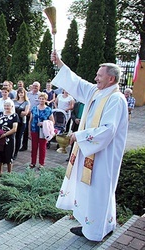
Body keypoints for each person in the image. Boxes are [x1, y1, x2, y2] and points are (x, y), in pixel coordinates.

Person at [51, 51, 128, 241]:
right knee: (90, 190)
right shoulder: (98, 91)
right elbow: (77, 83)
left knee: (99, 191)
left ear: (111, 78)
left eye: (99, 76)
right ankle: (94, 225)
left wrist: (80, 135)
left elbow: (108, 130)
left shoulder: (116, 99)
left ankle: (95, 232)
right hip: (91, 151)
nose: (95, 78)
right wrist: (60, 63)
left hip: (103, 155)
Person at [0, 100, 18, 179]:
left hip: (9, 139)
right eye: (5, 105)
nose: (6, 107)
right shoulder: (0, 114)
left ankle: (9, 173)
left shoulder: (14, 116)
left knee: (8, 156)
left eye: (8, 106)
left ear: (12, 106)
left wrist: (4, 135)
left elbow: (14, 129)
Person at [28, 92, 54, 169]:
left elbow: (52, 121)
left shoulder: (48, 109)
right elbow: (30, 120)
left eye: (43, 99)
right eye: (40, 98)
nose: (41, 100)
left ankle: (41, 163)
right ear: (38, 99)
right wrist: (29, 131)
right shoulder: (34, 108)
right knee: (34, 147)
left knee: (42, 147)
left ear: (46, 100)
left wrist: (44, 123)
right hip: (34, 130)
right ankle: (33, 162)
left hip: (44, 131)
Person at [21, 81, 41, 151]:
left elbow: (40, 105)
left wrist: (32, 111)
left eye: (36, 86)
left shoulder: (40, 95)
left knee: (35, 131)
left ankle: (34, 147)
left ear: (39, 87)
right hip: (27, 114)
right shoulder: (28, 94)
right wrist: (27, 111)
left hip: (36, 116)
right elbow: (25, 103)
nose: (35, 87)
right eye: (34, 86)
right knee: (26, 130)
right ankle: (24, 146)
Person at [13, 88, 30, 160]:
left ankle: (16, 153)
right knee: (11, 137)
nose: (20, 94)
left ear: (24, 93)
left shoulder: (27, 102)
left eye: (22, 92)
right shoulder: (14, 101)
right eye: (19, 92)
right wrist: (20, 112)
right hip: (14, 121)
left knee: (18, 137)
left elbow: (25, 113)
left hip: (22, 122)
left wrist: (18, 112)